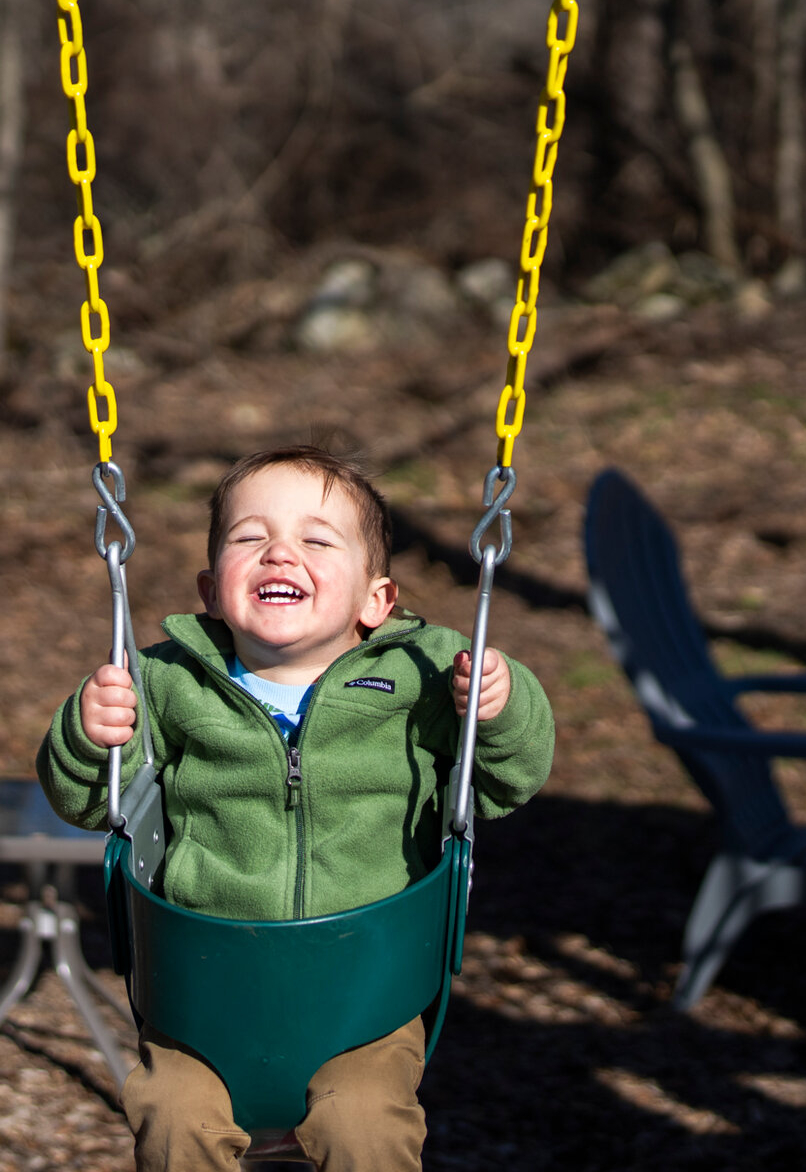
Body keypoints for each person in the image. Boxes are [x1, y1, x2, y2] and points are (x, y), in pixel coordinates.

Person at [38, 443, 555, 1172]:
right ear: (212, 590)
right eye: (251, 538)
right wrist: (88, 735)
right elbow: (89, 803)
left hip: (364, 1002)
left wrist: (497, 710)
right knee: (170, 1115)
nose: (281, 554)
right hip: (203, 1000)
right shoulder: (165, 681)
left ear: (378, 600)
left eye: (316, 540)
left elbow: (510, 780)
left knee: (365, 1126)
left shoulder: (422, 673)